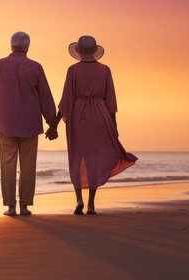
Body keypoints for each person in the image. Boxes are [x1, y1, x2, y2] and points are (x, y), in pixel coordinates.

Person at [46, 35, 137, 215]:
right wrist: (114, 124)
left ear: (78, 51)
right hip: (100, 114)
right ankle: (91, 204)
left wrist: (54, 124)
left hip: (78, 114)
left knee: (77, 156)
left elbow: (66, 99)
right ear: (94, 51)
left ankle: (78, 199)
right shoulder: (105, 70)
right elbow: (111, 99)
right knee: (95, 157)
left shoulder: (72, 70)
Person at [0, 31, 57, 216]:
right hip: (29, 123)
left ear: (11, 45)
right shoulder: (35, 67)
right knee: (28, 165)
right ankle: (24, 206)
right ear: (27, 47)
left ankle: (10, 206)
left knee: (7, 165)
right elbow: (45, 97)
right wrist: (52, 122)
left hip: (7, 123)